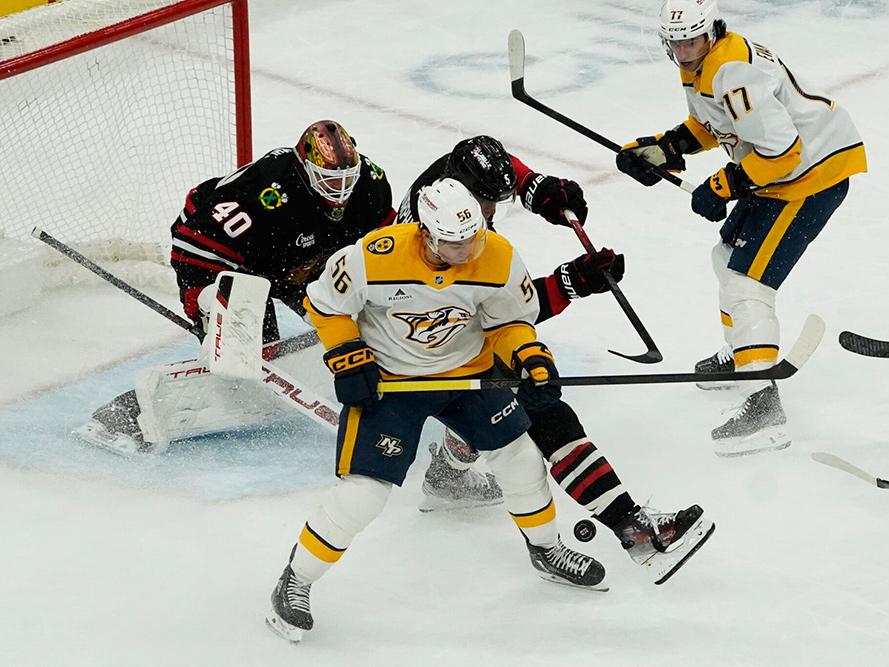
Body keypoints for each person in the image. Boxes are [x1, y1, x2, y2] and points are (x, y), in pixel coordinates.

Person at [266, 178, 607, 642]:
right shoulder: (374, 255)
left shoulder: (498, 255)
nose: (467, 251)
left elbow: (509, 321)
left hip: (468, 375)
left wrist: (529, 354)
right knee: (364, 493)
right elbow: (324, 304)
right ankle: (296, 579)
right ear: (425, 233)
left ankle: (547, 550)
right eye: (453, 242)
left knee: (522, 459)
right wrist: (348, 355)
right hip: (393, 382)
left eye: (473, 238)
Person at [397, 135, 714, 583]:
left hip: (446, 326)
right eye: (487, 203)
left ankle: (448, 475)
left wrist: (540, 189)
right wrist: (572, 282)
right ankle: (632, 530)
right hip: (433, 342)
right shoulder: (445, 251)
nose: (492, 212)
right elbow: (509, 316)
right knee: (540, 413)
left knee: (515, 408)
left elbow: (506, 168)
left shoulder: (450, 188)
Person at [617, 0, 867, 456]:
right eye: (676, 44)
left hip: (809, 177)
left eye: (692, 42)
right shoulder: (704, 63)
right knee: (727, 257)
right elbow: (714, 124)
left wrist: (723, 184)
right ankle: (742, 354)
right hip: (782, 174)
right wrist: (665, 147)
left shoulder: (733, 72)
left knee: (746, 281)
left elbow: (783, 152)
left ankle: (764, 404)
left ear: (712, 31)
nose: (684, 52)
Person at [78, 120, 395, 453]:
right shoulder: (263, 192)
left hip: (301, 259)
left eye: (347, 179)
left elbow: (383, 246)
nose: (340, 189)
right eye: (329, 179)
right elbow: (194, 245)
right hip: (220, 258)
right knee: (243, 349)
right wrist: (212, 306)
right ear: (305, 168)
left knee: (355, 320)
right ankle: (129, 412)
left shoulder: (370, 182)